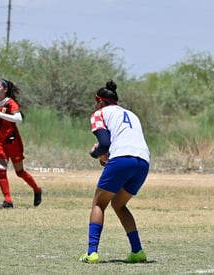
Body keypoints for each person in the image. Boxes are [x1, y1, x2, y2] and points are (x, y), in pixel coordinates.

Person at [79, 80, 150, 264]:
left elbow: (105, 143)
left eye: (96, 102)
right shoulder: (132, 115)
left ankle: (92, 253)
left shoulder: (99, 114)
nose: (95, 106)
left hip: (121, 159)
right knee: (118, 204)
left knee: (98, 204)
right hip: (143, 161)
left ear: (100, 102)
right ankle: (137, 251)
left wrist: (95, 153)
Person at [0, 79, 42, 209]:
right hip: (1, 142)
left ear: (5, 90)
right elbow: (1, 120)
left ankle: (37, 189)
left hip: (12, 141)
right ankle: (8, 201)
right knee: (1, 170)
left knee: (19, 172)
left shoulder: (11, 103)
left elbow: (18, 119)